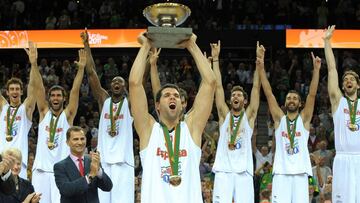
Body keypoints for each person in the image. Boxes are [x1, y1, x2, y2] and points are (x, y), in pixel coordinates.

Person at [129, 33, 216, 203]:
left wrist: (192, 46)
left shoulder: (191, 128)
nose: (173, 97)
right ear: (158, 106)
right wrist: (145, 46)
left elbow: (210, 82)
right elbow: (134, 84)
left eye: (176, 95)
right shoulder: (148, 129)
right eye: (167, 95)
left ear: (183, 104)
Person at [259, 50, 321, 202]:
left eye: (295, 98)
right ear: (285, 103)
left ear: (300, 103)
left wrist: (317, 70)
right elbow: (269, 94)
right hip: (281, 173)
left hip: (300, 173)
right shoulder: (279, 120)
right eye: (289, 98)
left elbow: (312, 94)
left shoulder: (304, 119)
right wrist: (260, 68)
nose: (291, 100)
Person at [81, 29, 134, 203]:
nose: (116, 83)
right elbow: (91, 73)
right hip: (103, 162)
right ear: (110, 86)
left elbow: (140, 81)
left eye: (120, 82)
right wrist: (87, 44)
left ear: (125, 87)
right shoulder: (104, 100)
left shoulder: (130, 104)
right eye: (114, 81)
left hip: (123, 163)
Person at [30, 42, 87, 203]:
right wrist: (34, 64)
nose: (55, 98)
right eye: (53, 95)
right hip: (41, 171)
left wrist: (81, 69)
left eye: (59, 95)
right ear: (49, 98)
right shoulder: (43, 113)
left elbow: (75, 91)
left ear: (63, 98)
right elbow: (38, 88)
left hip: (61, 173)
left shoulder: (67, 116)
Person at [211, 41, 262, 202]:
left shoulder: (249, 118)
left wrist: (259, 61)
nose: (235, 97)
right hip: (223, 171)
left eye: (239, 95)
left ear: (245, 101)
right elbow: (218, 87)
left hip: (243, 173)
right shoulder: (224, 116)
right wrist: (215, 60)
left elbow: (255, 88)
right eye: (233, 95)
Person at [323, 25, 360, 203]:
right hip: (342, 159)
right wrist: (327, 42)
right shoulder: (338, 101)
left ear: (358, 85)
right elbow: (331, 69)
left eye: (352, 79)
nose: (348, 81)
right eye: (345, 79)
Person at [0, 42, 37, 179]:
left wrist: (33, 64)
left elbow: (33, 88)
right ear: (7, 93)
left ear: (21, 92)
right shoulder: (3, 107)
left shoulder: (25, 109)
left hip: (18, 163)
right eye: (11, 89)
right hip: (1, 162)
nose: (14, 91)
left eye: (17, 89)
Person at [54, 126, 112, 203]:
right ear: (67, 142)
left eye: (82, 139)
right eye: (75, 139)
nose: (80, 142)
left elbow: (108, 187)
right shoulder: (60, 166)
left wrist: (98, 170)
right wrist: (90, 176)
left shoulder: (93, 161)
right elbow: (67, 190)